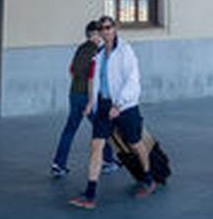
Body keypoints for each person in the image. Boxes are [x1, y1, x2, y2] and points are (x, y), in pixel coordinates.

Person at [69, 16, 156, 209]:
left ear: (115, 29)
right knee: (96, 145)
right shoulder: (98, 54)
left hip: (125, 107)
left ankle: (149, 178)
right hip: (104, 106)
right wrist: (92, 102)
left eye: (108, 27)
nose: (105, 31)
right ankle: (90, 194)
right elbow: (95, 80)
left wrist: (119, 104)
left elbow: (133, 80)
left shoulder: (125, 51)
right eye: (101, 29)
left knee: (135, 143)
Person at [51, 21, 117, 177]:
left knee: (70, 129)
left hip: (74, 94)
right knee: (101, 128)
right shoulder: (97, 51)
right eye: (99, 31)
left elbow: (72, 71)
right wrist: (90, 100)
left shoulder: (81, 49)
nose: (102, 34)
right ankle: (108, 160)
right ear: (94, 34)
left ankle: (58, 164)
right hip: (87, 97)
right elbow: (91, 77)